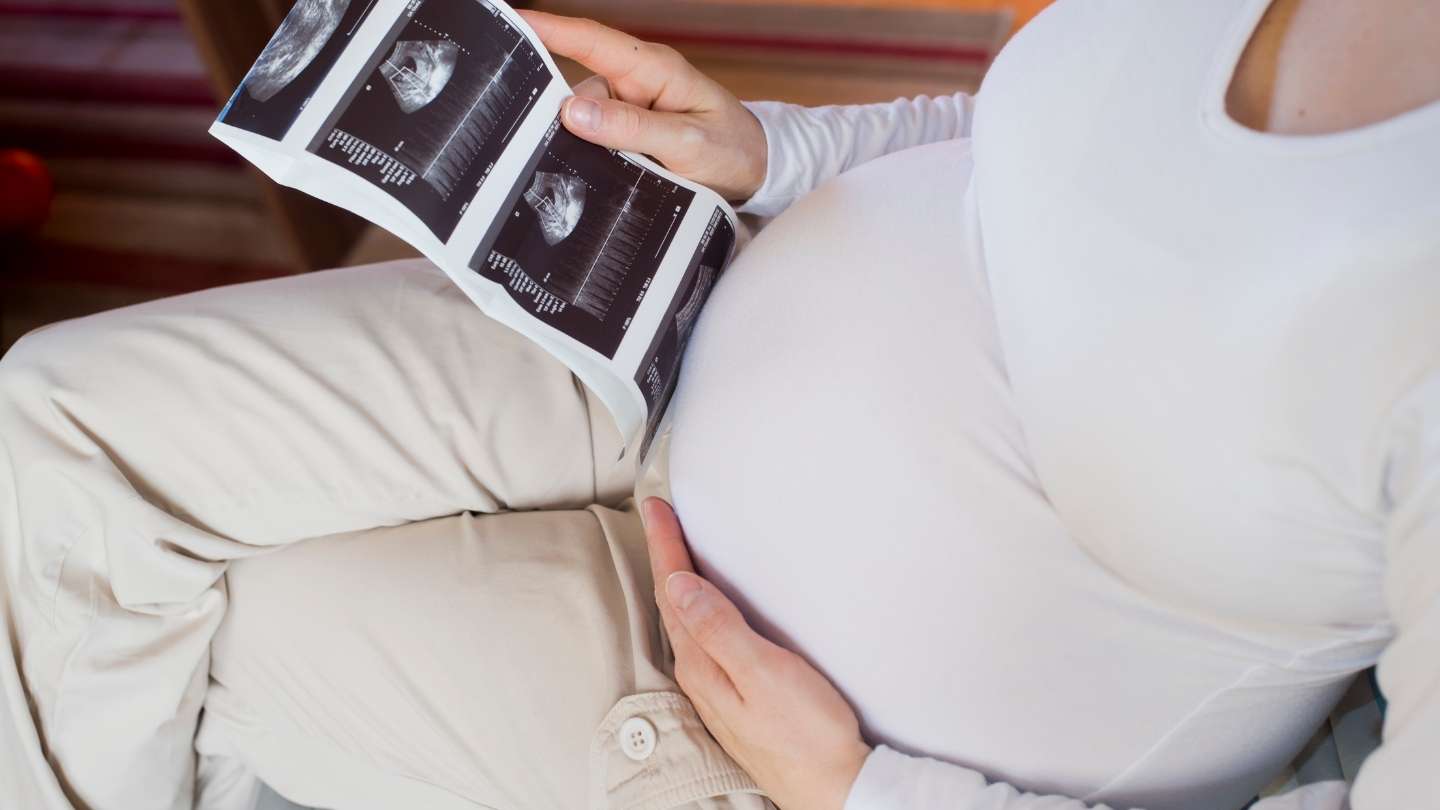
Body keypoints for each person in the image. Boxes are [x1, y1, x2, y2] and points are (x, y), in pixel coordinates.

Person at [1, 0, 1437, 808]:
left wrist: (862, 792)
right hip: (678, 317)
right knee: (53, 430)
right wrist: (777, 150)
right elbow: (1038, 138)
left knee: (214, 654)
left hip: (821, 723)